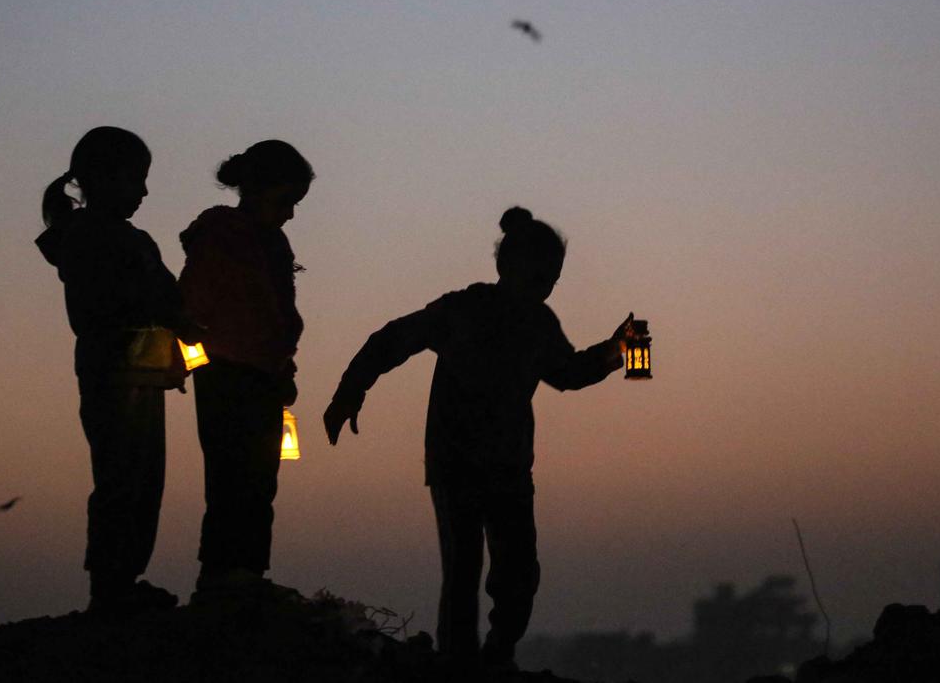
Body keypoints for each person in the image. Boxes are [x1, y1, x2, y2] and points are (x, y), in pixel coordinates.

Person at [323, 206, 641, 669]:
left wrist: (615, 353)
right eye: (538, 277)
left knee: (518, 573)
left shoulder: (539, 324)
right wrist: (350, 392)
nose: (545, 287)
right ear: (507, 268)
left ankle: (496, 655)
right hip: (456, 463)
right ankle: (459, 661)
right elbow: (392, 340)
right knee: (464, 569)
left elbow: (567, 373)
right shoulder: (462, 309)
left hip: (510, 465)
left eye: (552, 279)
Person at [35, 126, 193, 613]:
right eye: (136, 179)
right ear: (103, 179)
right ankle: (112, 587)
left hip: (138, 373)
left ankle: (121, 580)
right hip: (118, 372)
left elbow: (166, 298)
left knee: (140, 480)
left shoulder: (109, 237)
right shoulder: (96, 239)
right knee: (125, 479)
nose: (144, 192)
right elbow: (148, 298)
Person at [178, 140, 312, 602]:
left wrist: (283, 367)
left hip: (265, 375)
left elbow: (277, 312)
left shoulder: (272, 242)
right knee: (231, 474)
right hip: (225, 372)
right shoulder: (220, 236)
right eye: (284, 202)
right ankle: (221, 574)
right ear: (254, 191)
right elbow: (192, 301)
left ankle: (248, 571)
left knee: (259, 478)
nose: (290, 214)